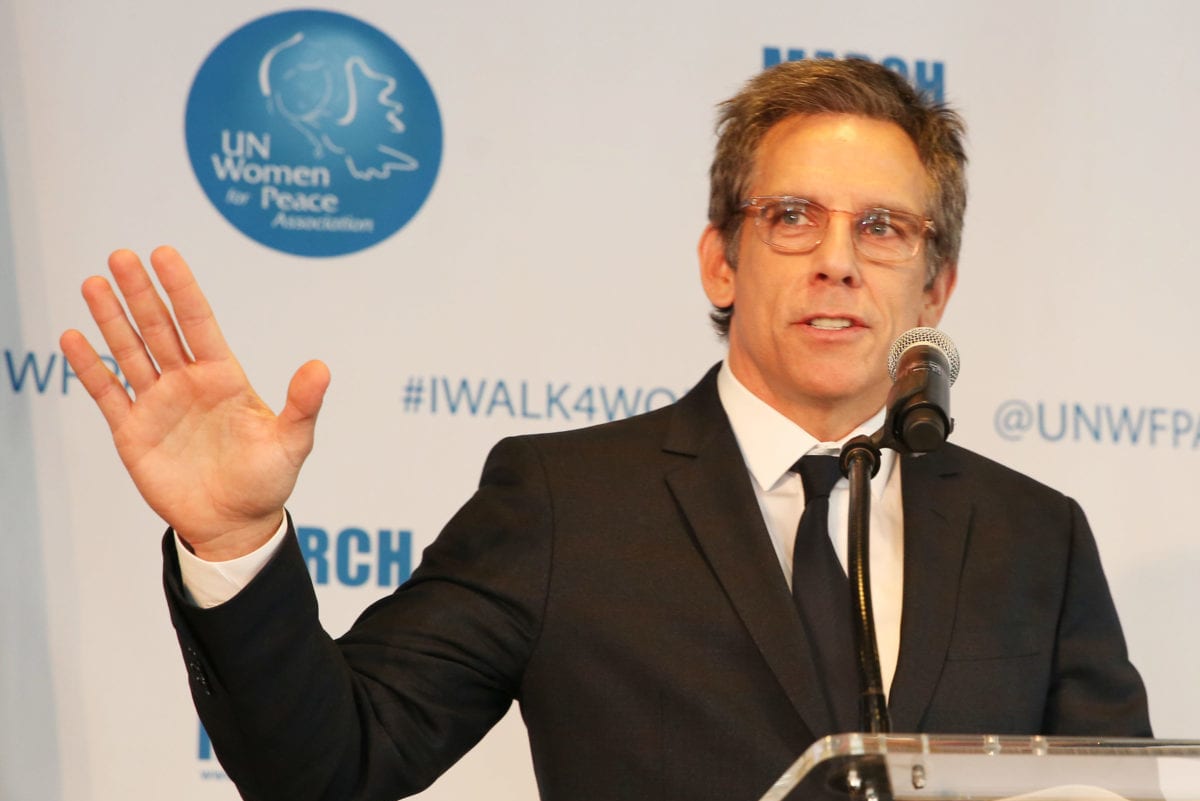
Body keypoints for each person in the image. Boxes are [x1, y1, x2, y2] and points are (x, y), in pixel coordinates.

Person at [60, 58, 1151, 801]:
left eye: (881, 227)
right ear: (721, 261)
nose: (837, 259)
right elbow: (327, 765)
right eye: (791, 217)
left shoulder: (1033, 537)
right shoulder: (567, 505)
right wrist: (235, 540)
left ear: (935, 285)